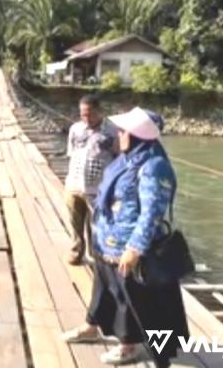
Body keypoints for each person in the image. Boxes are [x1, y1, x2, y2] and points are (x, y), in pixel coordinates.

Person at [61, 107, 189, 367]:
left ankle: (134, 347)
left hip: (128, 248)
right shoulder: (125, 160)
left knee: (139, 303)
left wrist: (134, 248)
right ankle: (91, 326)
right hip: (106, 242)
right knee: (105, 293)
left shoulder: (154, 166)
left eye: (123, 131)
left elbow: (152, 212)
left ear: (136, 135)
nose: (118, 134)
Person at [64, 95, 118, 265]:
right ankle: (76, 251)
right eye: (82, 114)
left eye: (90, 114)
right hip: (74, 184)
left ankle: (97, 256)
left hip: (98, 189)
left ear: (100, 111)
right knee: (75, 222)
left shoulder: (113, 130)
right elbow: (71, 154)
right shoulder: (75, 129)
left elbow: (119, 158)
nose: (86, 118)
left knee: (97, 224)